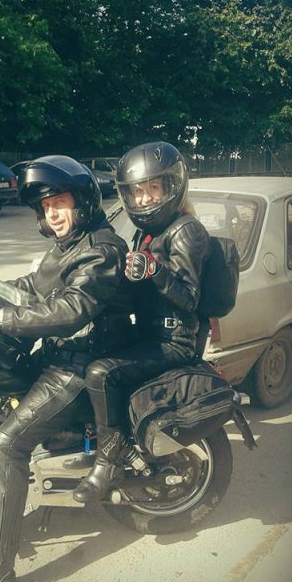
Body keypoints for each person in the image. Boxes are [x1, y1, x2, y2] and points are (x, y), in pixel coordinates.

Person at [0, 155, 133, 582]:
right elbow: (33, 285)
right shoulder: (66, 245)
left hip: (78, 367)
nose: (53, 213)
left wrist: (2, 318)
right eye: (46, 206)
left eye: (60, 202)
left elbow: (71, 309)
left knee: (6, 444)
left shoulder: (102, 249)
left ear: (82, 202)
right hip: (58, 356)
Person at [72, 141, 211, 504]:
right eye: (138, 191)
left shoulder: (185, 230)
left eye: (153, 188)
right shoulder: (147, 233)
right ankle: (85, 436)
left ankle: (109, 462)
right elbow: (138, 291)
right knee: (82, 351)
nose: (145, 198)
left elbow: (189, 297)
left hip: (173, 340)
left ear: (171, 187)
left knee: (101, 373)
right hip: (149, 331)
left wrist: (154, 269)